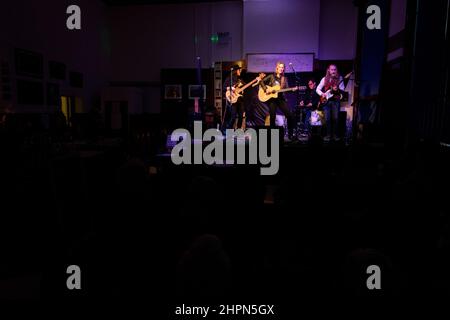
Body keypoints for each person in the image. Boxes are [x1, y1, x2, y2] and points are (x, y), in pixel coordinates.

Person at [259, 61, 296, 140]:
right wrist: (266, 89)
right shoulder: (271, 76)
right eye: (280, 67)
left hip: (280, 98)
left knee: (289, 115)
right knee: (272, 116)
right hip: (272, 98)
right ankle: (272, 136)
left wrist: (292, 89)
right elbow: (261, 82)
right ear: (277, 68)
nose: (281, 69)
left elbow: (287, 89)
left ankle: (290, 135)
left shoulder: (284, 79)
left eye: (283, 67)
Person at [316, 64, 345, 141]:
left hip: (336, 101)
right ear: (328, 70)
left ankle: (335, 135)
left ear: (336, 70)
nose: (333, 71)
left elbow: (343, 89)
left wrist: (337, 90)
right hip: (326, 101)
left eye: (335, 69)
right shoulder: (324, 79)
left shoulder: (340, 78)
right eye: (332, 69)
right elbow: (317, 89)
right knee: (327, 119)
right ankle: (328, 135)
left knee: (335, 118)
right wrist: (322, 94)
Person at [223, 65, 246, 130]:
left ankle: (238, 130)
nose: (240, 71)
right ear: (236, 71)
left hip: (240, 100)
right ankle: (229, 130)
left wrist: (257, 81)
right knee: (233, 116)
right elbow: (224, 88)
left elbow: (247, 86)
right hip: (233, 99)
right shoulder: (229, 78)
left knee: (241, 116)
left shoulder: (240, 80)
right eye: (239, 70)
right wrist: (231, 88)